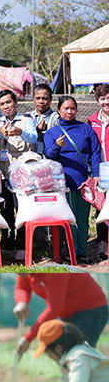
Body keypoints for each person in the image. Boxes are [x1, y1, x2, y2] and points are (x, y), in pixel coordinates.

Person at [44, 96, 101, 263]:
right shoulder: (52, 133)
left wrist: (96, 174)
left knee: (83, 219)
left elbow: (95, 153)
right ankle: (70, 252)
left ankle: (82, 253)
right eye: (66, 108)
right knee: (70, 219)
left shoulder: (86, 129)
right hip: (64, 183)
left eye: (73, 108)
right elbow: (49, 156)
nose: (69, 112)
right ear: (59, 110)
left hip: (84, 182)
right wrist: (56, 146)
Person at [0, 90, 41, 260]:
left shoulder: (27, 121)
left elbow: (34, 138)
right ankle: (6, 244)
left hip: (23, 177)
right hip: (3, 175)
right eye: (2, 104)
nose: (6, 106)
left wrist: (20, 132)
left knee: (22, 211)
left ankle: (21, 246)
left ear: (16, 102)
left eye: (8, 102)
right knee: (5, 211)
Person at [13, 273, 108, 358]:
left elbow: (54, 309)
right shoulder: (25, 270)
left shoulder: (54, 271)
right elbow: (23, 287)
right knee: (65, 354)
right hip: (67, 314)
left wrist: (28, 338)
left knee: (79, 356)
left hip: (91, 311)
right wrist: (21, 301)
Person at [92, 84, 109, 258]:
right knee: (101, 207)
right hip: (100, 170)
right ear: (97, 101)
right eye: (103, 98)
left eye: (108, 97)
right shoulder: (92, 120)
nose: (106, 101)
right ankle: (102, 243)